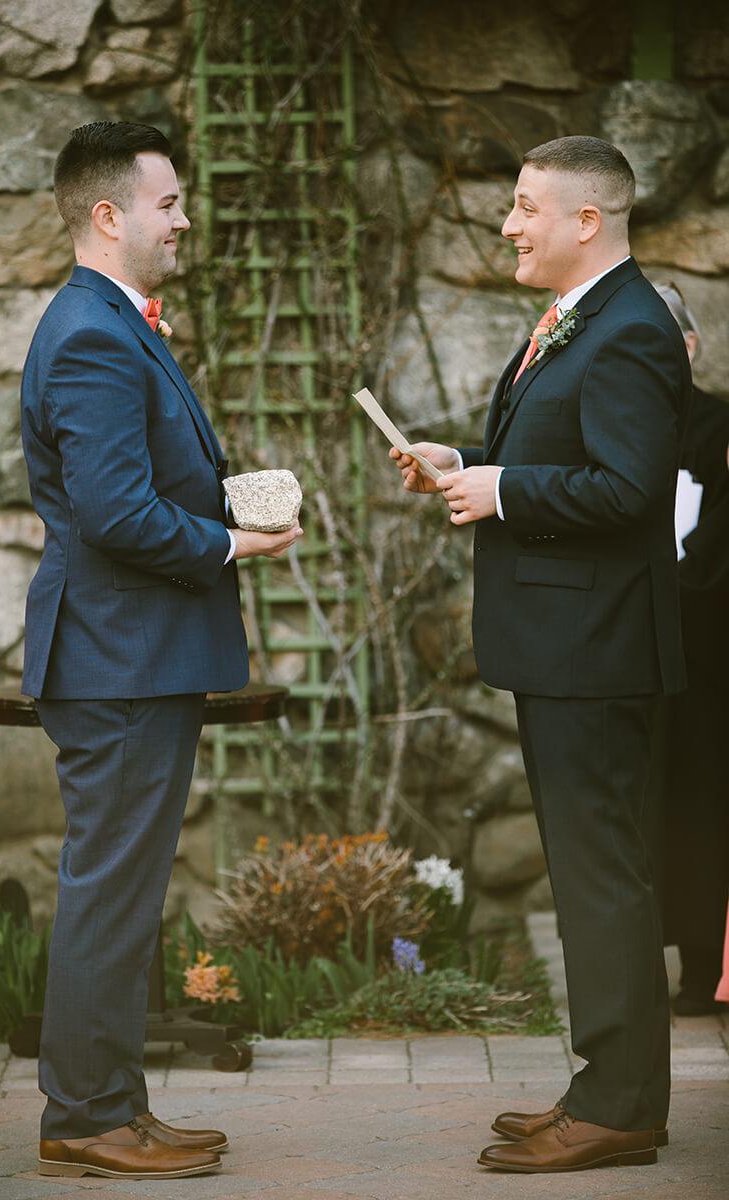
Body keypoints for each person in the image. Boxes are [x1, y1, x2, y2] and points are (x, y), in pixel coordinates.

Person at [390, 135, 691, 1173]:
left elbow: (627, 489)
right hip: (567, 642)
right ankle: (603, 1086)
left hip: (596, 647)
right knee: (587, 875)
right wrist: (463, 462)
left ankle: (616, 1108)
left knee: (602, 879)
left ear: (586, 222)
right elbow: (565, 454)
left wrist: (502, 493)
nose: (508, 223)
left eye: (524, 207)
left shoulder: (630, 331)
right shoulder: (581, 320)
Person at [21, 121, 302, 1181]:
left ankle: (110, 1106)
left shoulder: (113, 322)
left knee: (123, 890)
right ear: (109, 215)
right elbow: (114, 514)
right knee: (110, 891)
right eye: (169, 202)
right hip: (118, 659)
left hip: (126, 656)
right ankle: (85, 1119)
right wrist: (237, 540)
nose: (184, 219)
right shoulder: (92, 332)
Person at [648, 283, 729, 1016]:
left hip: (704, 661)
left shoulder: (720, 427)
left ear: (691, 347)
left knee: (702, 808)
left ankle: (703, 967)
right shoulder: (617, 425)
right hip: (627, 654)